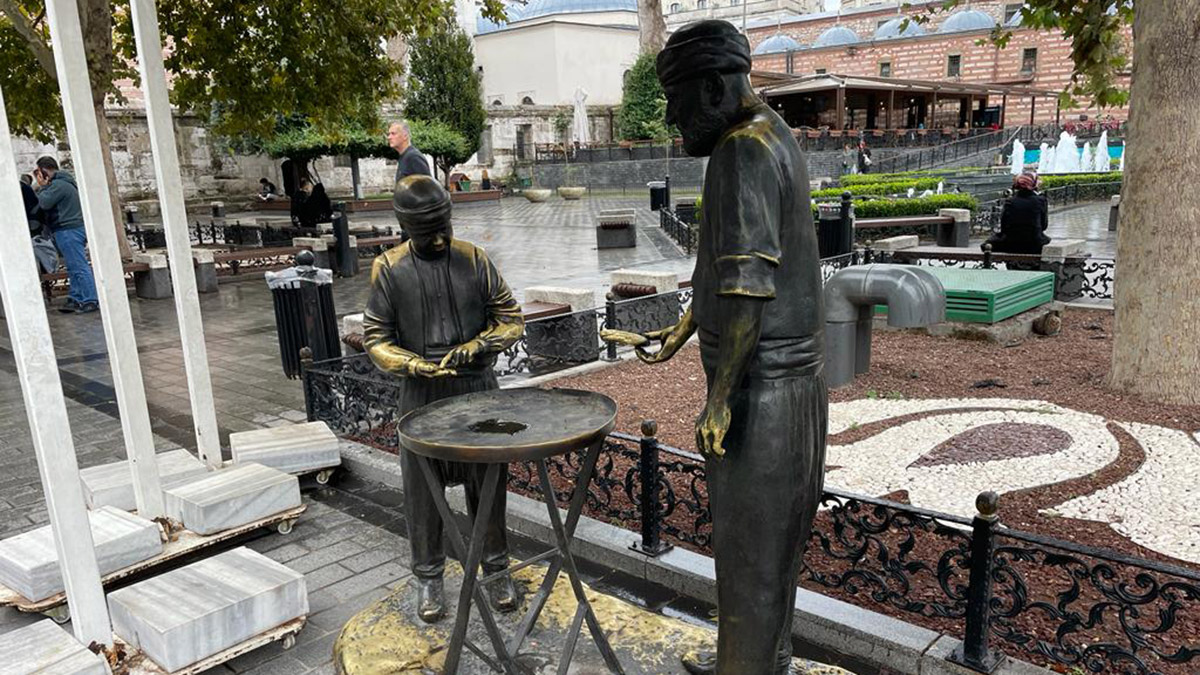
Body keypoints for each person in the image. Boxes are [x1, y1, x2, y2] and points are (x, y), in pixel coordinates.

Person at [607, 20, 828, 675]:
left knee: (748, 564)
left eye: (677, 105)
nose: (676, 123)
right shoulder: (775, 134)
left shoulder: (740, 151)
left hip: (761, 398)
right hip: (798, 394)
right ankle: (766, 661)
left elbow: (748, 289)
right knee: (776, 559)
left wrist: (719, 397)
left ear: (711, 87)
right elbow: (736, 273)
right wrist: (678, 331)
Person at [362, 175, 524, 624]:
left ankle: (496, 570)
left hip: (476, 389)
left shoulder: (474, 259)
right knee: (421, 494)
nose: (438, 238)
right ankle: (428, 577)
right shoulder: (390, 270)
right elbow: (375, 339)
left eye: (443, 227)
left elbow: (511, 319)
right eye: (425, 231)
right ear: (404, 227)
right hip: (422, 395)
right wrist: (412, 364)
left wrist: (482, 344)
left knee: (488, 487)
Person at [33, 157, 97, 314]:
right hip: (71, 229)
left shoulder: (58, 186)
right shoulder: (65, 182)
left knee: (79, 266)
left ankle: (91, 299)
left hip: (68, 230)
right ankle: (75, 298)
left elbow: (43, 203)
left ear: (44, 170)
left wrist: (42, 187)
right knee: (73, 266)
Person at [984, 171, 1051, 255]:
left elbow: (1003, 226)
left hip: (1011, 243)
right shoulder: (1041, 200)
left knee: (988, 243)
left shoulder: (1010, 201)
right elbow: (1044, 225)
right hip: (1034, 243)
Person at [21, 176, 58, 275]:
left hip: (29, 223)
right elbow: (36, 205)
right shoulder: (27, 189)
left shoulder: (23, 188)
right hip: (34, 222)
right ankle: (44, 270)